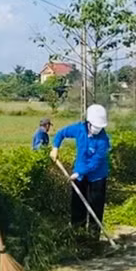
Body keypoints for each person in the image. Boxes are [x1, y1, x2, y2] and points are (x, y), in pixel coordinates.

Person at [50, 104, 110, 243]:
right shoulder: (79, 129)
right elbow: (61, 133)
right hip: (80, 174)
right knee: (77, 205)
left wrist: (79, 173)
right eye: (95, 126)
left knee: (95, 206)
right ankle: (78, 236)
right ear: (88, 122)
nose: (97, 129)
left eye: (100, 127)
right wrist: (55, 147)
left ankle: (93, 238)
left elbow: (95, 163)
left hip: (97, 177)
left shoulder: (103, 140)